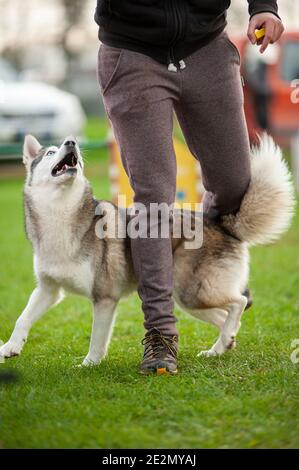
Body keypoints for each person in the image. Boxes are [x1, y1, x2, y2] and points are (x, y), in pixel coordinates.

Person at [94, 1, 284, 375]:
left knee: (234, 183)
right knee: (153, 200)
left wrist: (265, 6)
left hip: (206, 46)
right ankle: (160, 334)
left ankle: (218, 265)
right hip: (132, 52)